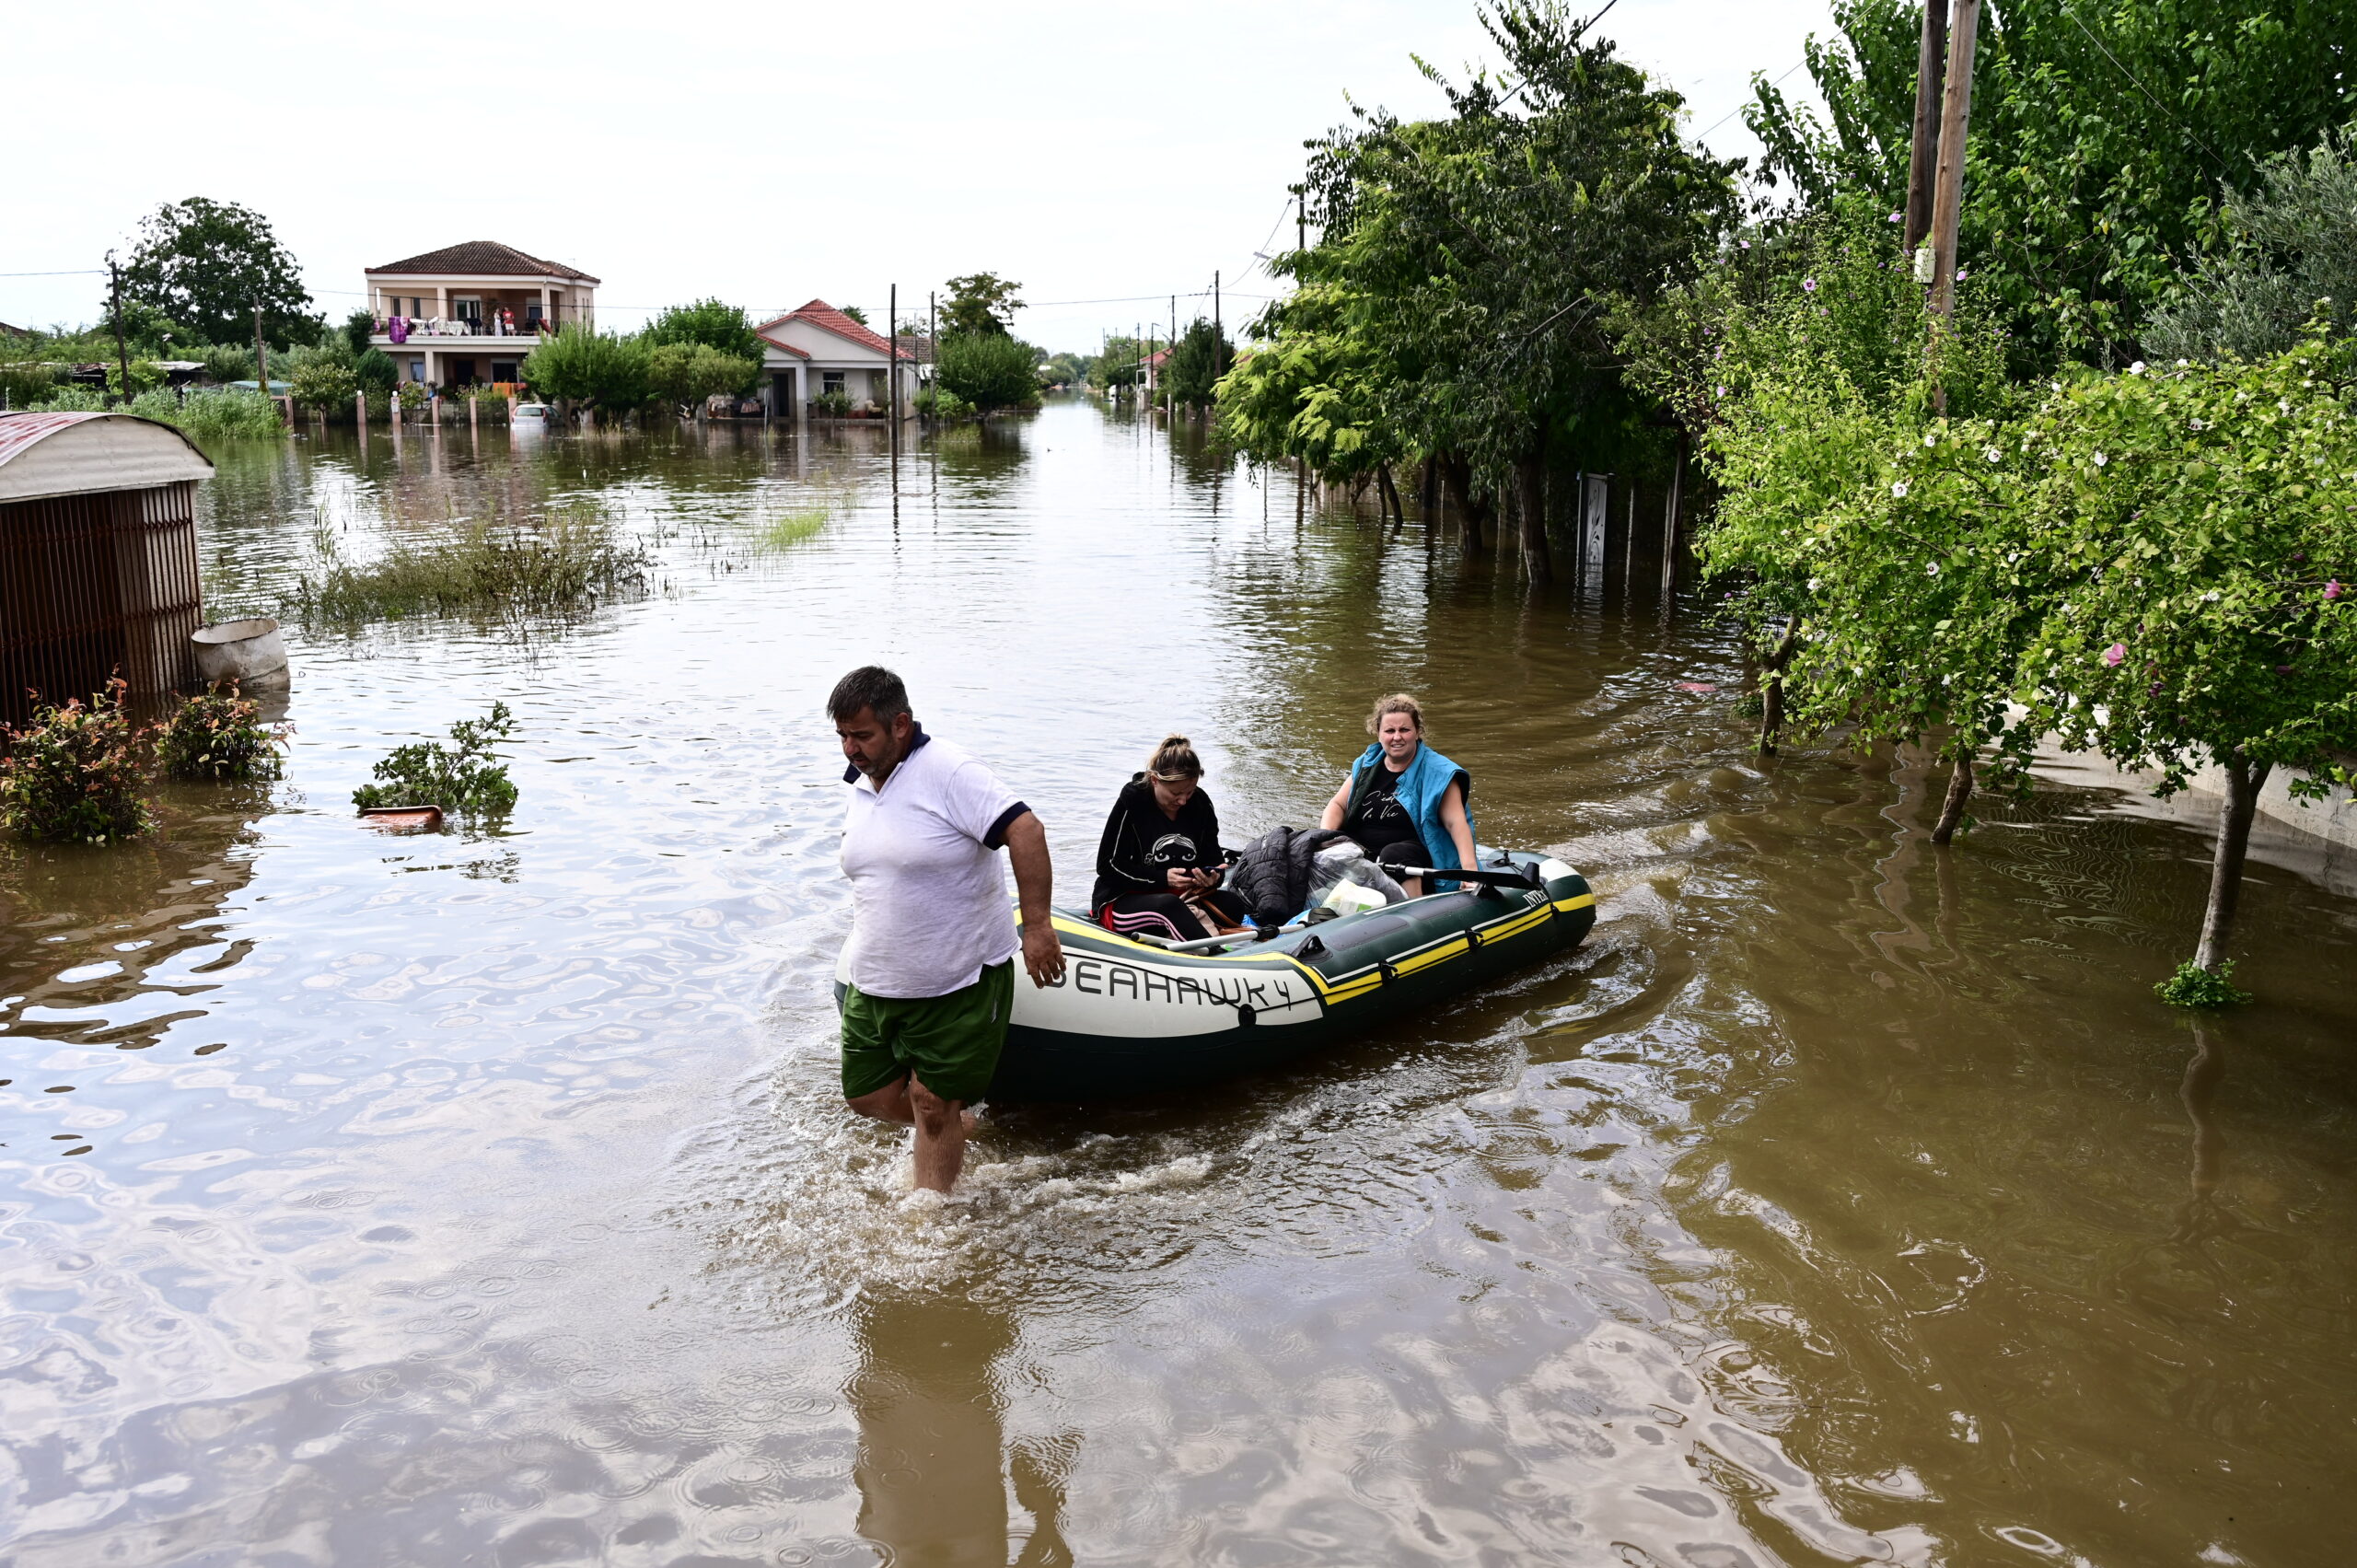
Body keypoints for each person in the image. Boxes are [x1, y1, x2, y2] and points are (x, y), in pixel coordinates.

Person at [832, 666, 1063, 1192]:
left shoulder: (950, 771)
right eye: (843, 736)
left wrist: (1039, 928)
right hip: (878, 980)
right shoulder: (864, 785)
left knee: (932, 1102)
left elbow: (1026, 829)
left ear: (900, 725)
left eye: (861, 735)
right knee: (865, 1096)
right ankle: (964, 1129)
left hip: (957, 977)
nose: (850, 749)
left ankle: (930, 1223)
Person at [1091, 735, 1250, 942]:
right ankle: (1213, 955)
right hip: (1122, 900)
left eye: (1190, 792)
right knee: (1169, 906)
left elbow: (1212, 858)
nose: (1183, 800)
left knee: (1233, 905)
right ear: (1155, 780)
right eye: (1176, 793)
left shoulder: (1200, 804)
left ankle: (1177, 933)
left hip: (1181, 897)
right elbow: (1107, 866)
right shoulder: (1133, 802)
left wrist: (1213, 877)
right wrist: (1162, 878)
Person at [1318, 693, 1477, 897]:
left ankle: (1415, 912)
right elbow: (1337, 805)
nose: (1397, 737)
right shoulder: (1368, 764)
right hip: (1366, 856)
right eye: (1390, 730)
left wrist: (1470, 872)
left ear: (1417, 732)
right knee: (1302, 843)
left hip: (1415, 859)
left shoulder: (1439, 772)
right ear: (1378, 733)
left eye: (1404, 730)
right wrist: (1325, 839)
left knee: (1394, 854)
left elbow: (1455, 823)